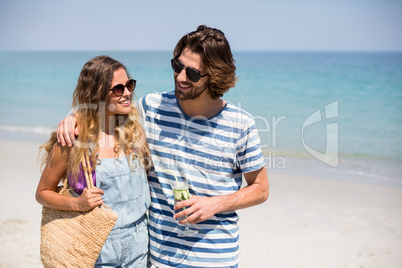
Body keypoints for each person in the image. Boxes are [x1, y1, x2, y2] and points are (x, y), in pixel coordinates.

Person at [57, 25, 269, 268]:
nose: (180, 77)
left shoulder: (241, 124)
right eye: (177, 66)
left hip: (216, 259)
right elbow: (108, 115)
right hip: (158, 258)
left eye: (193, 73)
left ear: (216, 76)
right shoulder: (152, 107)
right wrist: (76, 118)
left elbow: (260, 189)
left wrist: (215, 203)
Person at [36, 55, 151, 267]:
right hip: (95, 249)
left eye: (129, 85)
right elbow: (42, 193)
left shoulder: (135, 131)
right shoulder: (73, 141)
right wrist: (76, 203)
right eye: (118, 88)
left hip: (139, 248)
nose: (127, 93)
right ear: (97, 93)